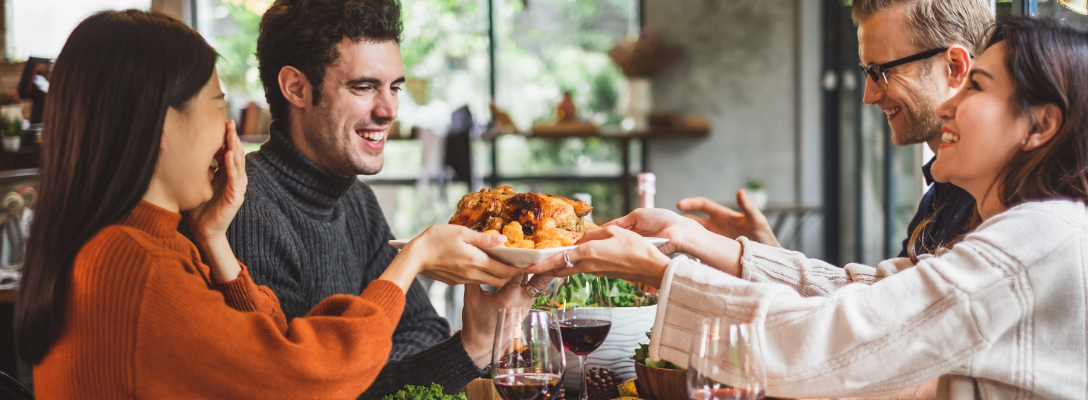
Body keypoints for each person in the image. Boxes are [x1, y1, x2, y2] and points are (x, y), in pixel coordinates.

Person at [530, 16, 1088, 399]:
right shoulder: (1026, 230)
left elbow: (848, 336)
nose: (950, 100)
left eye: (977, 88)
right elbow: (869, 295)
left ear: (1040, 125)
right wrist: (695, 240)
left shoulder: (1039, 238)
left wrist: (659, 271)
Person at [16, 10, 514, 399]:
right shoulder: (134, 265)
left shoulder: (157, 244)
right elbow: (301, 379)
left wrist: (215, 242)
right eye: (219, 105)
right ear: (160, 125)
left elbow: (270, 344)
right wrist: (414, 260)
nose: (230, 131)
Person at [180, 0, 547, 397]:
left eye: (394, 87)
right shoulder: (244, 209)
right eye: (364, 87)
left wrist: (359, 367)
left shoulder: (358, 202)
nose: (389, 110)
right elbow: (308, 388)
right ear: (296, 88)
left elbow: (422, 330)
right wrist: (471, 347)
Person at [678, 0, 992, 259]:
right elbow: (876, 306)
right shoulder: (943, 193)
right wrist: (767, 253)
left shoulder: (996, 205)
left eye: (881, 71)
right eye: (866, 72)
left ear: (955, 67)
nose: (868, 96)